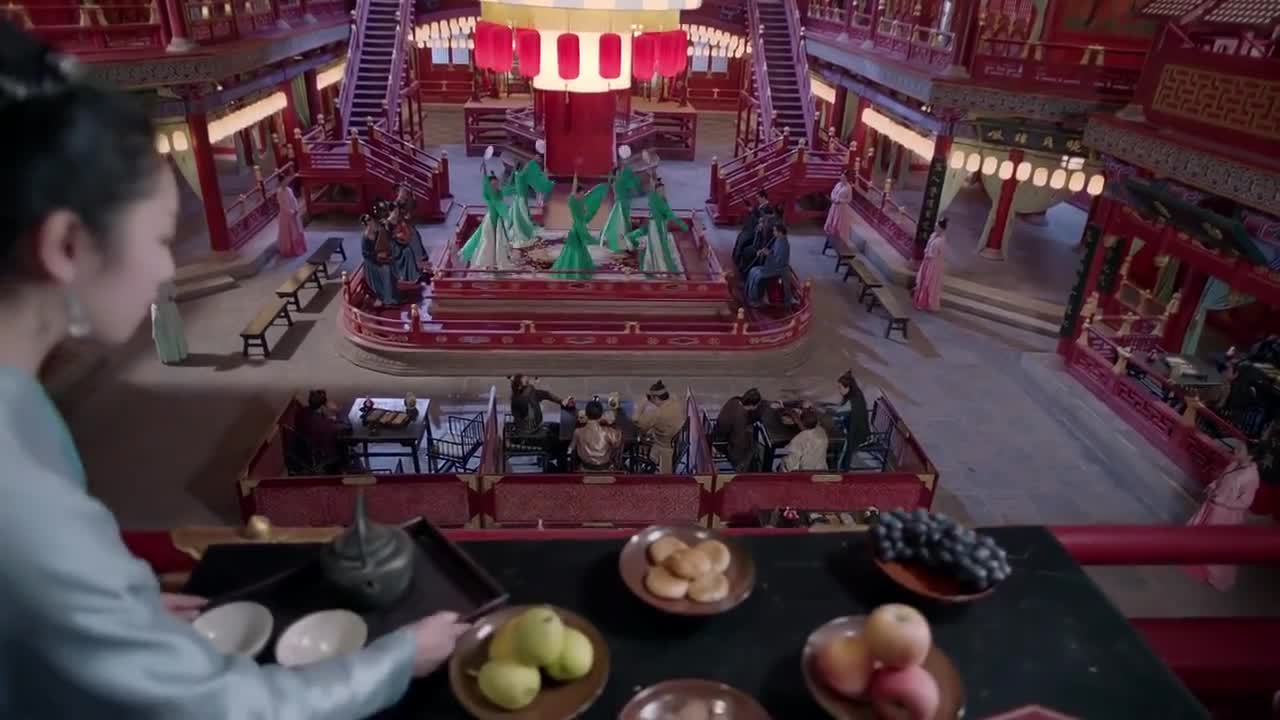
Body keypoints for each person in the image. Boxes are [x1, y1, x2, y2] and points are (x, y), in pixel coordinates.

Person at [0, 25, 467, 718]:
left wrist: (107, 612)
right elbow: (221, 707)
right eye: (162, 238)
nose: (168, 266)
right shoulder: (22, 509)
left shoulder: (20, 407)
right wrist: (399, 657)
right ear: (67, 246)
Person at [1184, 439, 1260, 591]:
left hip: (1225, 513)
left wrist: (1223, 501)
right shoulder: (1234, 464)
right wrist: (1212, 486)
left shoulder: (1252, 476)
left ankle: (1213, 572)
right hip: (1213, 505)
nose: (1236, 450)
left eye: (1240, 449)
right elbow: (1221, 479)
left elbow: (1245, 503)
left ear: (1250, 456)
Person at [509, 374, 573, 470]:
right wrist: (531, 385)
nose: (529, 383)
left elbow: (546, 394)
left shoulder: (530, 393)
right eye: (526, 383)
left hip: (535, 430)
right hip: (528, 436)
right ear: (519, 387)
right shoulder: (518, 400)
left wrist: (561, 401)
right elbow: (528, 396)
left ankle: (555, 457)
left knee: (558, 428)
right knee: (561, 441)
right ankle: (558, 465)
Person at [550, 181, 609, 280]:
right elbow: (573, 191)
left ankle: (580, 267)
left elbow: (584, 212)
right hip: (577, 228)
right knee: (575, 249)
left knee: (581, 248)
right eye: (581, 194)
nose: (582, 196)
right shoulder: (572, 202)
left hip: (580, 225)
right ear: (576, 193)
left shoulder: (580, 201)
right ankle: (574, 269)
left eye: (583, 194)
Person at [629, 181, 687, 275]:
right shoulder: (655, 201)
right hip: (654, 227)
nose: (662, 192)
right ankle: (656, 268)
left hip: (660, 227)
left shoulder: (662, 202)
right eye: (660, 190)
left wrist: (682, 225)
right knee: (656, 246)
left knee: (661, 247)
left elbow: (670, 215)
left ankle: (661, 268)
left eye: (663, 190)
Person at [292, 389, 355, 475]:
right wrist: (337, 411)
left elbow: (308, 411)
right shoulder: (326, 424)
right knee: (344, 443)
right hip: (323, 455)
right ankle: (346, 470)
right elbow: (347, 427)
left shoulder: (301, 413)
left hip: (305, 451)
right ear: (322, 407)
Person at [459, 173, 513, 270]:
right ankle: (486, 262)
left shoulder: (499, 193)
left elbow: (502, 201)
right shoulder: (488, 195)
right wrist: (485, 176)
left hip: (498, 220)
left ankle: (496, 261)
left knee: (498, 242)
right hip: (490, 221)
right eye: (493, 184)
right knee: (488, 242)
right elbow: (485, 189)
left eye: (496, 184)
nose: (495, 186)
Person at [633, 380, 686, 473]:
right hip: (675, 441)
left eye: (650, 398)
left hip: (662, 446)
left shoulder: (657, 414)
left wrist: (642, 404)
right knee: (650, 430)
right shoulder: (675, 401)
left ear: (656, 397)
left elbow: (637, 421)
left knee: (638, 438)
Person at [507, 159, 554, 249]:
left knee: (520, 216)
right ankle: (527, 230)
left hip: (519, 198)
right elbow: (527, 168)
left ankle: (523, 228)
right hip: (521, 199)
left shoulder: (518, 174)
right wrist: (533, 160)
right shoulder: (520, 175)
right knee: (524, 215)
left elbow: (526, 170)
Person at [598, 160, 642, 252]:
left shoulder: (617, 181)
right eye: (619, 172)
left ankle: (619, 241)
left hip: (622, 203)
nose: (621, 174)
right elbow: (633, 188)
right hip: (621, 204)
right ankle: (622, 242)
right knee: (622, 223)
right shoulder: (619, 182)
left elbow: (631, 188)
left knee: (621, 222)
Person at [716, 388, 763, 472]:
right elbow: (738, 444)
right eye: (757, 405)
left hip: (718, 434)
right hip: (723, 444)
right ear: (752, 405)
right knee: (754, 448)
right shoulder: (741, 419)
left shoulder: (734, 400)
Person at [746, 224, 792, 308]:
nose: (773, 232)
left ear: (780, 232)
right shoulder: (778, 240)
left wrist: (768, 254)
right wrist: (764, 251)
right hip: (771, 266)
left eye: (775, 231)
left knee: (758, 276)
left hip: (778, 269)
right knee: (753, 270)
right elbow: (772, 251)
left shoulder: (785, 245)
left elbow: (779, 262)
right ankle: (749, 295)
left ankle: (757, 300)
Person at [834, 370, 871, 469]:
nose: (838, 390)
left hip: (854, 433)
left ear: (848, 388)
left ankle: (842, 470)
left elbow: (837, 412)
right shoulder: (857, 393)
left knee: (845, 453)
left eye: (840, 387)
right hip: (860, 427)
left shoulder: (851, 403)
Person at [571, 400, 623, 471]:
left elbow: (572, 448)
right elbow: (617, 443)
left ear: (586, 414)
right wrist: (610, 424)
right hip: (605, 470)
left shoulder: (577, 431)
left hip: (585, 469)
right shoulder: (608, 432)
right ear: (601, 415)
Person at [360, 212, 399, 306]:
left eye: (372, 221)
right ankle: (387, 298)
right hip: (371, 264)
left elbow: (386, 239)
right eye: (370, 222)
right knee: (386, 270)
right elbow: (366, 254)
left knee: (393, 264)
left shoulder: (377, 233)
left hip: (380, 260)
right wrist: (377, 256)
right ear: (366, 225)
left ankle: (393, 294)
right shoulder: (365, 238)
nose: (373, 223)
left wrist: (386, 226)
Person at [913, 217, 948, 311]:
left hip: (933, 264)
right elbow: (928, 246)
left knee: (928, 283)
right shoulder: (933, 235)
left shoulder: (941, 241)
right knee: (922, 279)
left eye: (937, 226)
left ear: (941, 228)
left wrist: (932, 259)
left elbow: (940, 255)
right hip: (927, 261)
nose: (936, 227)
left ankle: (924, 303)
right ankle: (918, 300)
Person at [150, 280, 187, 364]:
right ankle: (176, 355)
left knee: (168, 331)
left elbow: (173, 292)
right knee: (169, 331)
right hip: (163, 308)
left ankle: (172, 356)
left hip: (164, 308)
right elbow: (173, 293)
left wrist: (168, 297)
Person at [732, 190, 770, 268]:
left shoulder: (768, 208)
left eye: (758, 198)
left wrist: (755, 214)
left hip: (754, 231)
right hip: (748, 227)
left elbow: (763, 220)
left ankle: (739, 263)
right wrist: (751, 210)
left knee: (742, 242)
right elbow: (753, 213)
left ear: (763, 197)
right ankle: (735, 259)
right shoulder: (758, 205)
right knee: (739, 239)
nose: (757, 199)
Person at [824, 170, 857, 252]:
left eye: (844, 177)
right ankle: (832, 238)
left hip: (841, 208)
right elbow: (833, 192)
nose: (842, 178)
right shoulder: (838, 184)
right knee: (832, 221)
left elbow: (849, 199)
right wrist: (833, 198)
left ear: (847, 178)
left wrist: (840, 200)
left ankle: (840, 242)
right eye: (841, 177)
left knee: (839, 224)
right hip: (834, 206)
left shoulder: (848, 187)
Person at [275, 182, 308, 258]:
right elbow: (282, 205)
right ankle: (289, 250)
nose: (286, 183)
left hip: (294, 213)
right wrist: (291, 212)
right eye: (284, 181)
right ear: (280, 182)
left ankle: (299, 248)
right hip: (286, 215)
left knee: (296, 231)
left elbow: (294, 200)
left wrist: (296, 209)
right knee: (289, 232)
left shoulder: (289, 189)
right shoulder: (279, 193)